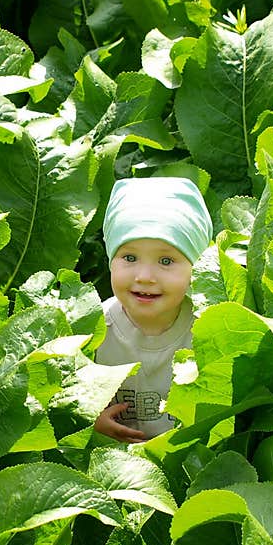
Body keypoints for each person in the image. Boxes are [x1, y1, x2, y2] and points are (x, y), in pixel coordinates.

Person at [93, 176, 213, 443]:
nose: (145, 276)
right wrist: (91, 419)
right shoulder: (92, 326)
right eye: (130, 257)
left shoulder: (208, 328)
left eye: (166, 260)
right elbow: (60, 396)